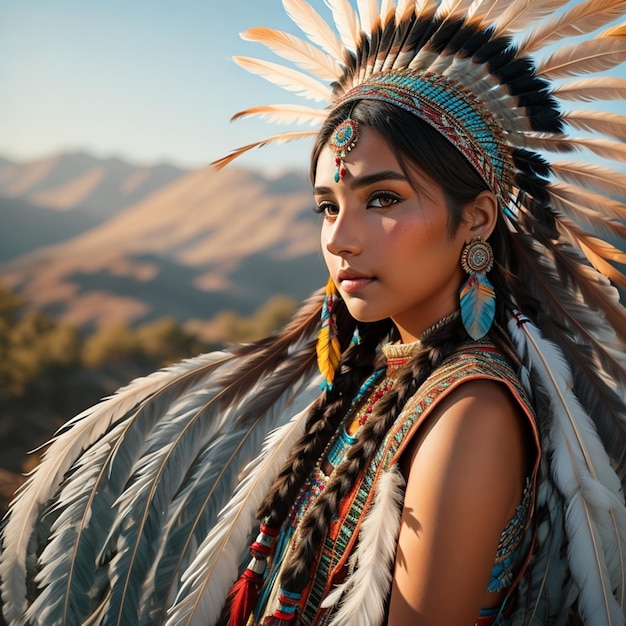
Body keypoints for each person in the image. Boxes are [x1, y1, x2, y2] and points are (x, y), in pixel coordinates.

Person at [1, 1, 626, 625]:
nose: (340, 239)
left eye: (383, 199)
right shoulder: (380, 374)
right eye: (327, 206)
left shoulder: (470, 414)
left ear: (478, 218)